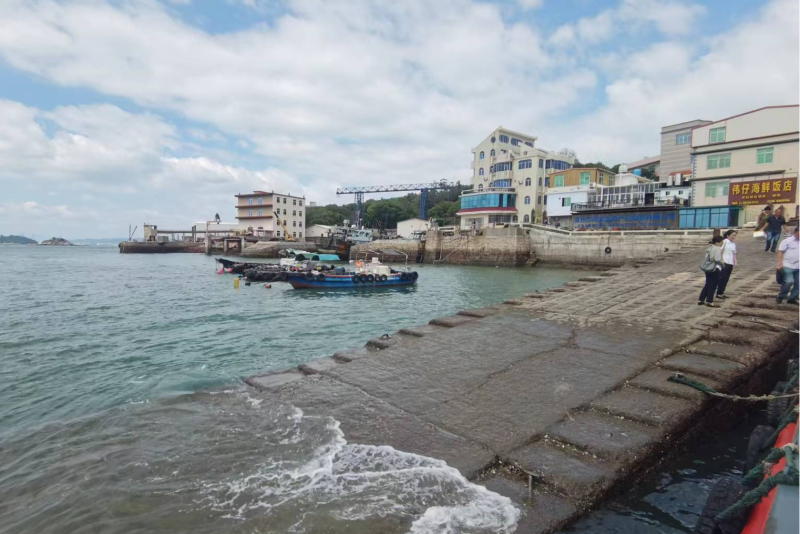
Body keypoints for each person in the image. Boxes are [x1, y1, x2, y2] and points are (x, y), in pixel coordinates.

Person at [699, 235, 725, 307]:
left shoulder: (710, 248)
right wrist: (722, 265)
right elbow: (717, 259)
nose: (722, 243)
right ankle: (709, 301)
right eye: (721, 242)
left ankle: (701, 299)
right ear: (717, 242)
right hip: (714, 268)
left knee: (707, 284)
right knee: (713, 285)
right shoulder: (717, 248)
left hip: (707, 268)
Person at [777, 226, 800, 304]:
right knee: (788, 281)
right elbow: (780, 252)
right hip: (788, 265)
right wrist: (779, 264)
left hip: (799, 266)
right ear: (795, 233)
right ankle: (781, 296)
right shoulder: (787, 241)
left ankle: (792, 298)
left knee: (798, 283)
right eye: (799, 234)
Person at [716, 230, 737, 299]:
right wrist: (721, 260)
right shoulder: (724, 241)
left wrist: (735, 262)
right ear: (728, 235)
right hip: (724, 262)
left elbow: (734, 253)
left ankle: (722, 292)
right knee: (723, 278)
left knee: (726, 279)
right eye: (733, 235)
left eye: (735, 235)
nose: (734, 237)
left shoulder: (733, 243)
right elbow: (720, 250)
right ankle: (718, 293)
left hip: (730, 262)